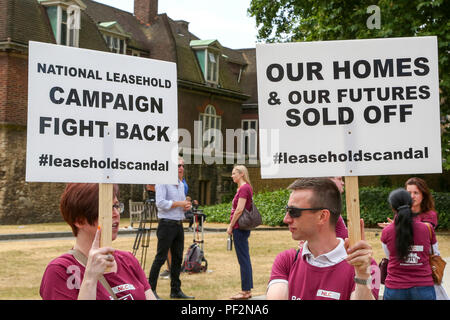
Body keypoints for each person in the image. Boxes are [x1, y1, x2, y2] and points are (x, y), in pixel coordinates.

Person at [267, 177, 379, 300]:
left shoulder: (367, 266)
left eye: (294, 211)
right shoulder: (287, 260)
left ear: (322, 216)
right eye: (287, 210)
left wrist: (362, 275)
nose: (286, 219)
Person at [40, 183, 156, 300]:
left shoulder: (128, 260)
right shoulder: (60, 271)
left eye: (116, 206)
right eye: (106, 209)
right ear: (79, 221)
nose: (116, 214)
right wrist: (90, 278)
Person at [148, 157, 194, 299]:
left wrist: (187, 206)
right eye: (178, 165)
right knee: (160, 258)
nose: (181, 168)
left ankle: (175, 291)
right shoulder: (163, 182)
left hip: (178, 225)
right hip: (166, 225)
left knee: (177, 259)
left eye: (182, 166)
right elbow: (160, 203)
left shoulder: (181, 184)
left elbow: (180, 205)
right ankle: (151, 291)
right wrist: (180, 203)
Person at [380, 188, 437, 300]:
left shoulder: (387, 231)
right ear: (411, 204)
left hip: (395, 288)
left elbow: (389, 256)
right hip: (424, 288)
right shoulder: (427, 229)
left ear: (392, 207)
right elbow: (434, 252)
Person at [227, 165, 254, 300]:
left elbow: (239, 209)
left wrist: (231, 226)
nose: (232, 176)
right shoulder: (244, 188)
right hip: (241, 228)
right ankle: (246, 289)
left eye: (234, 173)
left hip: (240, 227)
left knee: (243, 259)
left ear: (241, 174)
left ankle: (245, 291)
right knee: (244, 258)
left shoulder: (244, 188)